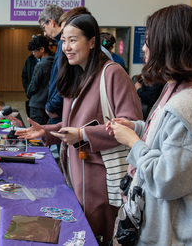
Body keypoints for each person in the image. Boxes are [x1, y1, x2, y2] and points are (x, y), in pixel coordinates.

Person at [16, 14, 142, 245]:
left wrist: (84, 135)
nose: (66, 48)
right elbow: (70, 128)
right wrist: (45, 131)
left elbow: (130, 126)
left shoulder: (112, 73)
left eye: (73, 40)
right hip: (75, 173)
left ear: (92, 42)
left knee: (98, 235)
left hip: (101, 179)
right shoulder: (75, 74)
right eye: (63, 41)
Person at [107, 4, 192, 246]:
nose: (144, 48)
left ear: (169, 44)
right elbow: (167, 140)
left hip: (165, 231)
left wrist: (134, 143)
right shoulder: (179, 87)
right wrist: (138, 128)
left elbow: (169, 180)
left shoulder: (187, 105)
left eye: (148, 41)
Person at [38, 3, 65, 124]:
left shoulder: (64, 44)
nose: (44, 33)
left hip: (59, 109)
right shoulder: (60, 43)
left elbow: (65, 80)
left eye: (44, 28)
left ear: (51, 22)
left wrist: (51, 106)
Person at [26, 35, 54, 125]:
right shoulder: (54, 62)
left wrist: (28, 94)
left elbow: (33, 85)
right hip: (47, 103)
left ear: (42, 49)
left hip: (37, 104)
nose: (33, 53)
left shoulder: (41, 65)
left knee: (35, 136)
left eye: (34, 51)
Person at [21, 42, 39, 117]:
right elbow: (24, 76)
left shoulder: (49, 61)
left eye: (34, 51)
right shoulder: (29, 59)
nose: (33, 53)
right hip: (32, 96)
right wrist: (28, 90)